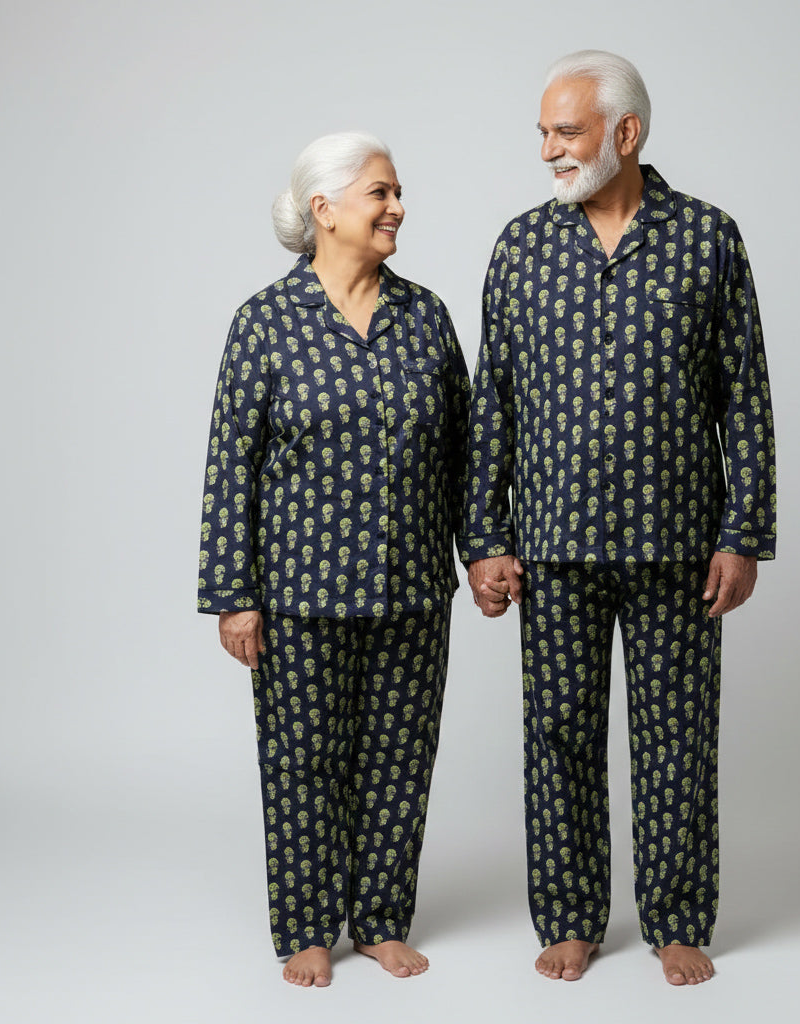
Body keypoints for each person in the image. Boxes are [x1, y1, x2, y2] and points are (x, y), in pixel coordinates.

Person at [461, 51, 776, 986]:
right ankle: (569, 916)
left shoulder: (709, 239)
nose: (550, 150)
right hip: (553, 547)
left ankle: (676, 917)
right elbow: (495, 406)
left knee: (678, 733)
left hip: (678, 544)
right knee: (558, 732)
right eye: (545, 134)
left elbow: (745, 400)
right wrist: (484, 539)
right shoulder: (521, 246)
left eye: (567, 131)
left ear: (625, 135)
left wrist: (742, 533)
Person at [197, 132, 469, 987]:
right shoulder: (264, 322)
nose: (397, 207)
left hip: (413, 589)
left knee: (401, 757)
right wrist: (234, 597)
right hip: (299, 595)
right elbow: (228, 465)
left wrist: (485, 551)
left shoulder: (426, 315)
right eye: (380, 193)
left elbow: (467, 448)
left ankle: (382, 919)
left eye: (397, 193)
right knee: (303, 761)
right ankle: (309, 927)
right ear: (325, 209)